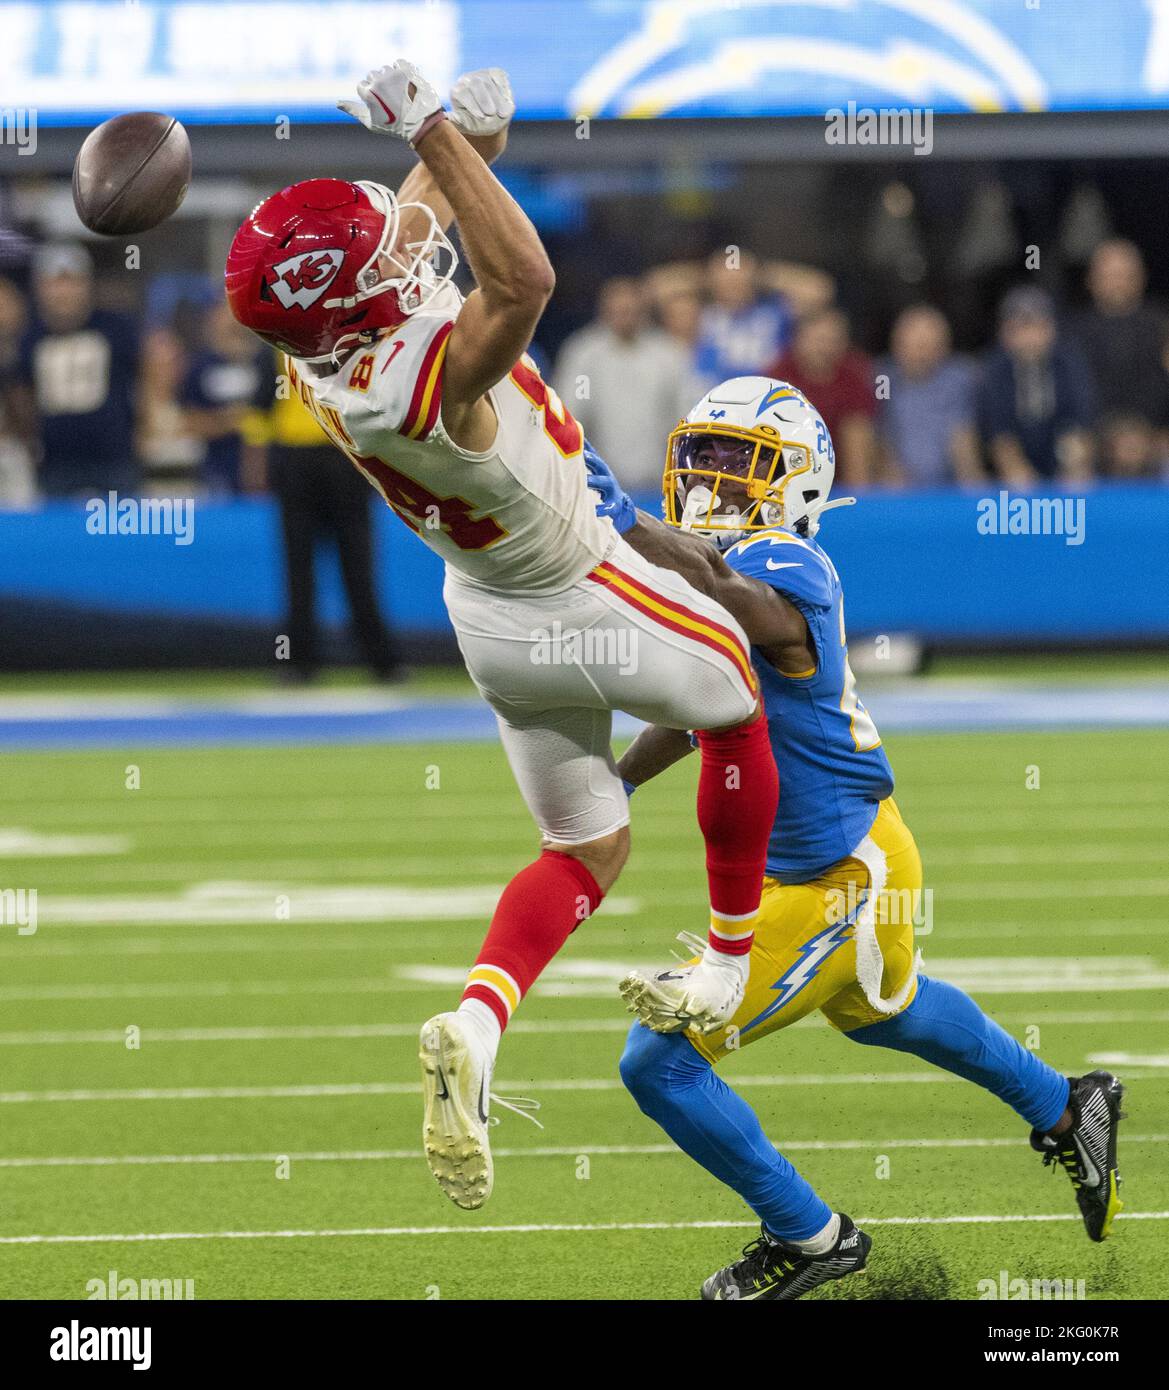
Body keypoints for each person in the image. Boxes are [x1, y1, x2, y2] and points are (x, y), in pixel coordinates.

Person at [225, 64, 779, 1212]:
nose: (397, 248)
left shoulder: (319, 353)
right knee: (735, 685)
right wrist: (431, 127)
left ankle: (475, 1022)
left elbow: (413, 221)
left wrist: (457, 133)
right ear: (342, 303)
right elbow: (522, 276)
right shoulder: (414, 376)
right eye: (373, 256)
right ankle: (727, 961)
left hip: (486, 617)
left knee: (587, 848)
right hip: (577, 586)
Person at [585, 376, 1124, 1300]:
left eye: (737, 462)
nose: (711, 478)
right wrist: (614, 783)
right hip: (848, 853)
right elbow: (703, 707)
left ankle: (809, 1235)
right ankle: (1068, 1104)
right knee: (886, 1009)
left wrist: (625, 523)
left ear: (795, 481)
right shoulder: (721, 568)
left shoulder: (787, 564)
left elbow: (719, 584)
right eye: (702, 456)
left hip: (844, 871)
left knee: (660, 1062)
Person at [251, 350, 402, 684]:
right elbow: (260, 407)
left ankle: (374, 662)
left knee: (350, 565)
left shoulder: (337, 343)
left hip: (334, 456)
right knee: (308, 567)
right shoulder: (306, 344)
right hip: (313, 459)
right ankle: (311, 662)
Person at [13, 243, 140, 498]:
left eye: (71, 283)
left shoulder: (115, 327)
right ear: (40, 288)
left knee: (121, 530)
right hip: (56, 461)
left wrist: (145, 427)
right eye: (55, 283)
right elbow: (22, 394)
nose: (64, 292)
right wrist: (28, 441)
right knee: (57, 533)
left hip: (113, 457)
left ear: (87, 284)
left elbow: (144, 374)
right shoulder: (29, 337)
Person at [553, 276, 690, 490]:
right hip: (600, 485)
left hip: (658, 483)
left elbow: (685, 416)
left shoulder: (669, 353)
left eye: (629, 311)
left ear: (643, 312)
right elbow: (569, 418)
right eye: (617, 311)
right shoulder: (583, 354)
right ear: (604, 311)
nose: (623, 317)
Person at [979, 287, 1095, 486]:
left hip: (1058, 449)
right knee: (1019, 482)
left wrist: (1073, 464)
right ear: (1006, 332)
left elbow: (1080, 420)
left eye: (1038, 327)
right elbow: (998, 432)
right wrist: (1017, 471)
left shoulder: (1069, 364)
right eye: (1022, 328)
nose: (1031, 337)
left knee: (1079, 477)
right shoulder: (994, 370)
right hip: (1014, 452)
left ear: (1051, 330)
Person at [1075, 240, 1169, 475]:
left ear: (1141, 278)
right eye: (1109, 275)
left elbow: (1159, 385)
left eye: (1125, 275)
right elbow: (1074, 392)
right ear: (1091, 279)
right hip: (1095, 434)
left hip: (1154, 432)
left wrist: (1149, 432)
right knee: (1072, 454)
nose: (1117, 283)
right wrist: (1111, 433)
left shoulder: (1161, 326)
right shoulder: (1072, 332)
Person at [769, 307, 877, 486]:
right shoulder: (777, 376)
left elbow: (857, 435)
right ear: (798, 340)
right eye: (818, 340)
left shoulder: (855, 374)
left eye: (833, 341)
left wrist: (858, 496)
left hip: (840, 479)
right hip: (786, 474)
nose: (825, 348)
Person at [878, 304, 982, 487]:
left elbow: (962, 435)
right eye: (916, 346)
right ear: (897, 345)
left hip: (948, 488)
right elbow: (881, 429)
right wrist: (888, 471)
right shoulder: (883, 379)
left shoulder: (959, 379)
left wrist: (971, 486)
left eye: (930, 347)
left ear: (944, 348)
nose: (922, 355)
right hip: (894, 487)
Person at [182, 300, 270, 495]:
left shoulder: (265, 361)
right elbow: (191, 421)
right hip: (217, 471)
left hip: (265, 469)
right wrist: (233, 421)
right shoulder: (200, 367)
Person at [694, 248, 793, 385]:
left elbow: (816, 290)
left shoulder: (775, 314)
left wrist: (767, 275)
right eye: (727, 282)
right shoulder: (700, 315)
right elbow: (661, 286)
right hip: (712, 395)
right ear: (712, 282)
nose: (734, 286)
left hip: (767, 394)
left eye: (740, 281)